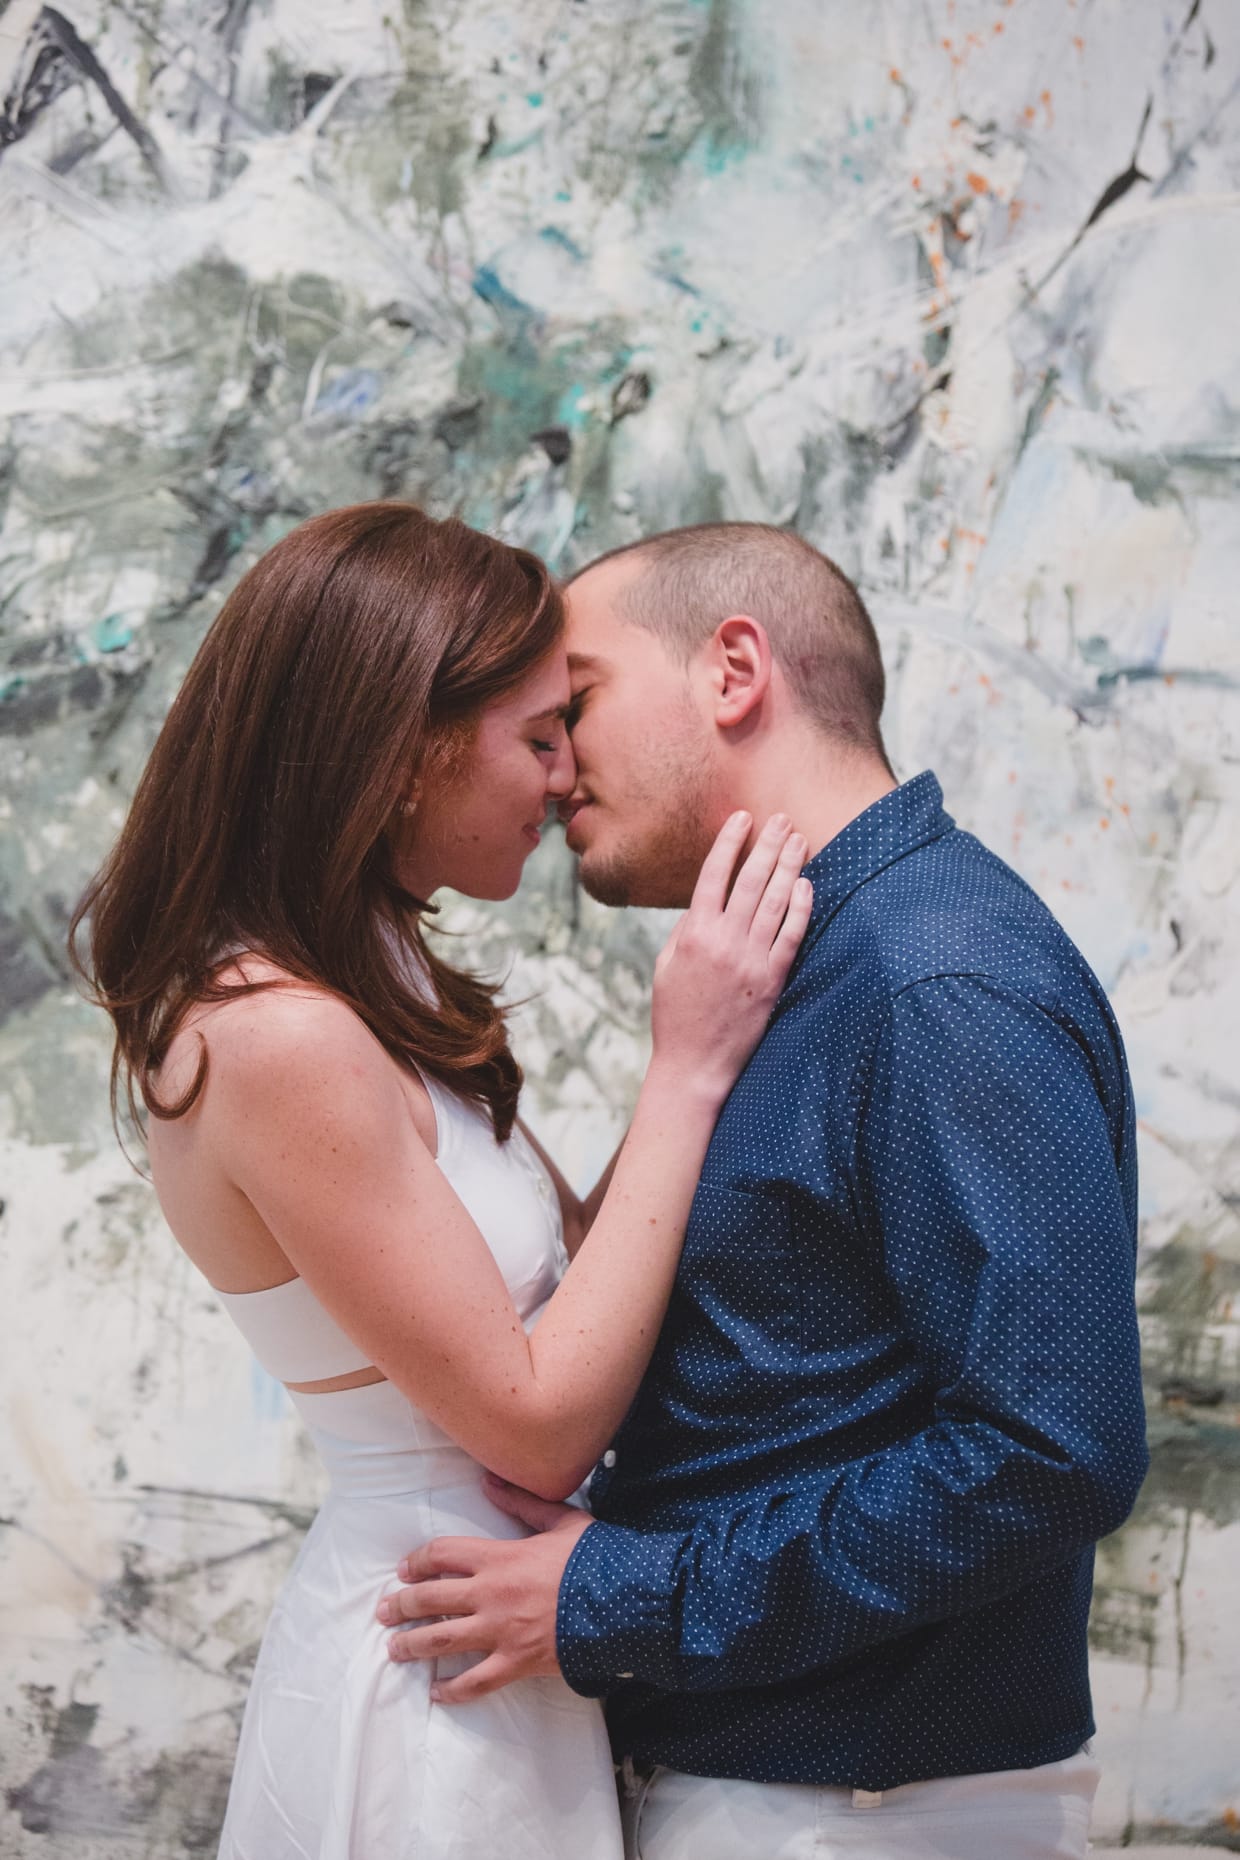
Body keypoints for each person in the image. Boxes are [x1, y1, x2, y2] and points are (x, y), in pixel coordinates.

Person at [379, 522, 1149, 1860]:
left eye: (581, 703)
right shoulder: (788, 967)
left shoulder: (934, 980)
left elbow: (1050, 1453)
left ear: (735, 669)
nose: (555, 762)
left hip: (866, 1819)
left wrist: (618, 1594)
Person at [70, 502, 813, 1860]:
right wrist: (687, 1062)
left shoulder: (372, 982)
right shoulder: (278, 1034)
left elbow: (585, 1283)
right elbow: (533, 1424)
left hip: (496, 1636)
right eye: (539, 737)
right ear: (410, 748)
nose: (563, 779)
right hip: (432, 1673)